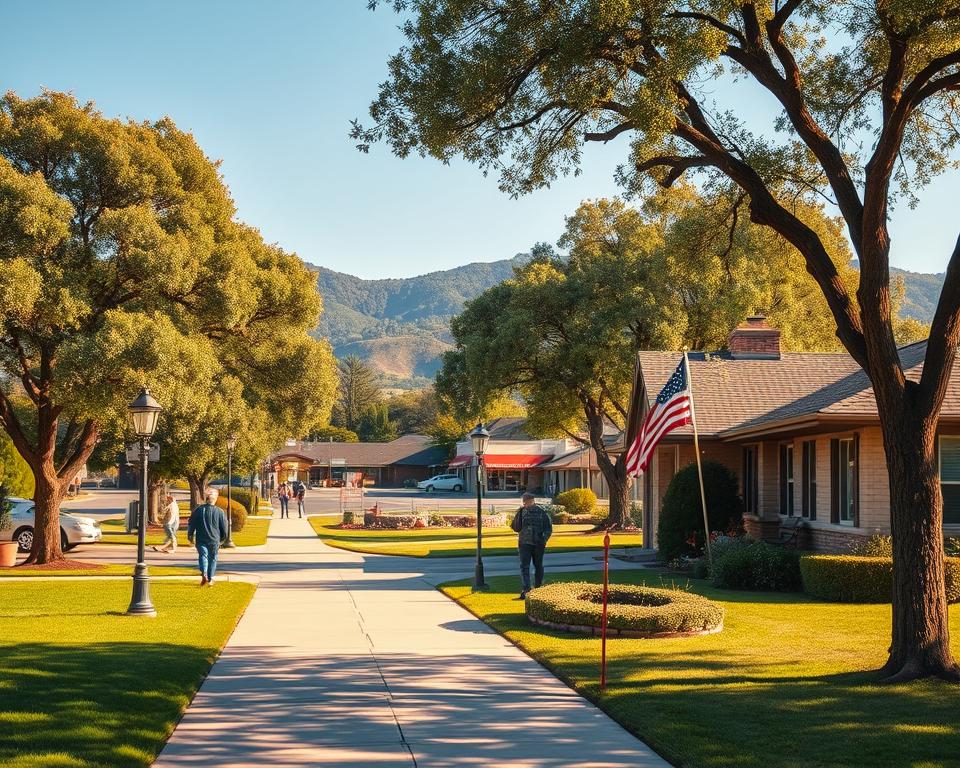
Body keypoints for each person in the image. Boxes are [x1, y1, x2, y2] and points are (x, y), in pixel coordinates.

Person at [511, 492, 553, 599]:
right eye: (525, 502)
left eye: (528, 501)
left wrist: (543, 539)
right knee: (524, 567)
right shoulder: (521, 512)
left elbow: (548, 528)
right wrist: (519, 513)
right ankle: (526, 589)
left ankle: (538, 588)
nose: (526, 503)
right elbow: (516, 527)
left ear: (532, 501)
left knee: (538, 566)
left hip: (538, 544)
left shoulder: (541, 512)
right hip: (524, 543)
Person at [187, 488, 229, 586]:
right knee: (213, 558)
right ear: (215, 499)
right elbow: (224, 527)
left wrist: (190, 535)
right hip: (214, 539)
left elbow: (191, 523)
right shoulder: (220, 512)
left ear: (206, 498)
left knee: (203, 555)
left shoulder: (198, 510)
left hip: (201, 538)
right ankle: (210, 578)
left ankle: (204, 573)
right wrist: (223, 539)